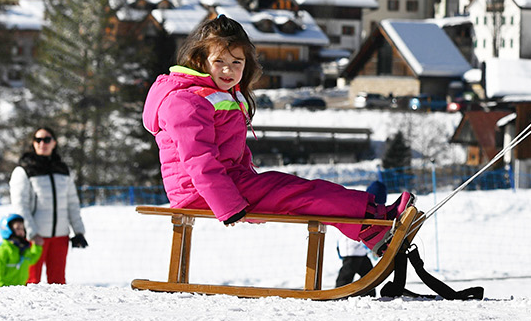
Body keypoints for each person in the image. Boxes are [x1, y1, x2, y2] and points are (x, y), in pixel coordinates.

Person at [142, 15, 412, 249]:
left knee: (299, 189)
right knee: (298, 193)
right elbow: (198, 160)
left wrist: (249, 180)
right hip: (200, 193)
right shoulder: (186, 101)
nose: (229, 70)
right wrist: (228, 204)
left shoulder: (218, 95)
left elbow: (231, 150)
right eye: (220, 61)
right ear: (200, 60)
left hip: (226, 184)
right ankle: (372, 225)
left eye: (237, 62)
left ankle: (372, 218)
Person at [9, 126, 88, 284]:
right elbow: (20, 205)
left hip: (60, 237)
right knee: (31, 282)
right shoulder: (24, 170)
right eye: (38, 140)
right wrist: (31, 233)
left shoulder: (63, 170)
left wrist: (79, 231)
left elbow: (72, 203)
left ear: (54, 143)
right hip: (35, 238)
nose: (42, 143)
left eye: (46, 139)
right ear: (33, 143)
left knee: (58, 283)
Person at [0, 213, 44, 286]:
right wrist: (2, 291)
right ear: (8, 229)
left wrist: (37, 247)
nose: (21, 231)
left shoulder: (24, 248)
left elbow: (32, 260)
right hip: (7, 290)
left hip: (21, 289)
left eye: (23, 228)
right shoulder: (2, 251)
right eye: (18, 228)